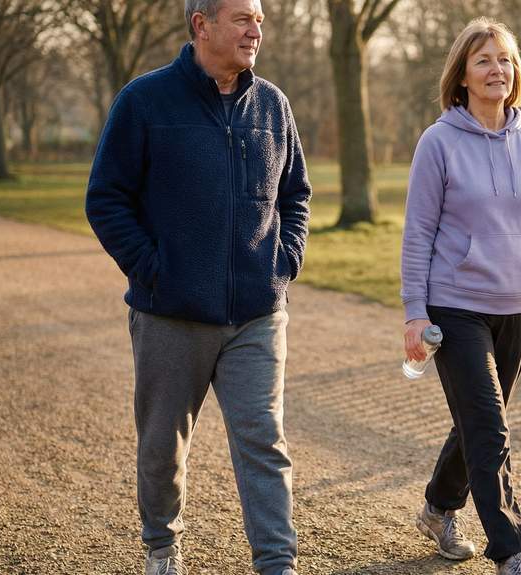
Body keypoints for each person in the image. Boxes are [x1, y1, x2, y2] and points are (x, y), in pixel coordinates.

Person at [85, 1, 310, 573]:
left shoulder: (273, 106)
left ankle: (276, 562)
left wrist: (282, 264)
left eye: (258, 18)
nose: (255, 30)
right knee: (164, 447)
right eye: (241, 18)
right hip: (171, 314)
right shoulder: (144, 101)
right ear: (201, 24)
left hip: (258, 312)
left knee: (264, 442)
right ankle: (162, 546)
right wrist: (152, 268)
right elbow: (106, 199)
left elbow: (295, 196)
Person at [401, 17, 521, 575]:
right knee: (489, 426)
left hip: (517, 305)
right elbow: (418, 235)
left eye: (505, 59)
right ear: (461, 75)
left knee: (478, 423)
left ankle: (439, 507)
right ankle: (511, 550)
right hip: (455, 305)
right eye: (483, 60)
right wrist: (415, 313)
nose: (497, 70)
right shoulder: (438, 142)